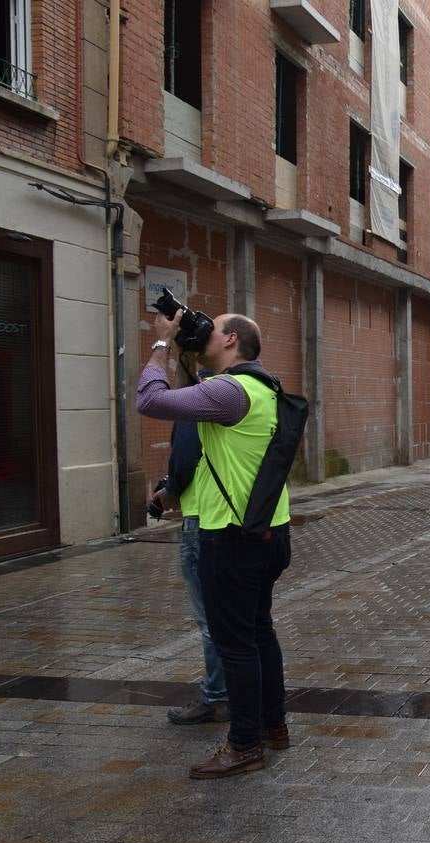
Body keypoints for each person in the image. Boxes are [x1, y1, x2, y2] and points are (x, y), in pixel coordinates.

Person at [137, 310, 294, 779]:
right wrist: (188, 349)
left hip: (231, 536)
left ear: (229, 339)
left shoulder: (229, 392)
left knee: (236, 643)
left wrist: (162, 345)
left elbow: (150, 399)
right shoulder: (262, 386)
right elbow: (194, 396)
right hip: (268, 529)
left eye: (213, 328)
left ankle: (244, 745)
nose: (204, 333)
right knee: (260, 631)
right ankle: (273, 726)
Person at [150, 406, 230, 726]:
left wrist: (168, 493)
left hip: (202, 518)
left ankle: (217, 696)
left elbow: (183, 461)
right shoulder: (256, 394)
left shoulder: (198, 402)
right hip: (242, 519)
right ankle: (249, 696)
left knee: (211, 619)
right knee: (244, 618)